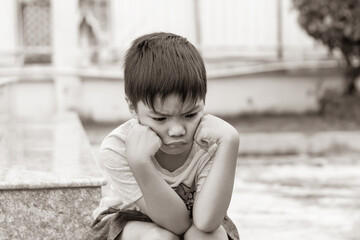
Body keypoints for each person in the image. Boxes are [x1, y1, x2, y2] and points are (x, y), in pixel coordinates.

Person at [87, 32, 240, 240]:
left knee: (207, 236)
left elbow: (205, 222)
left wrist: (230, 142)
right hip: (129, 222)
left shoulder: (210, 141)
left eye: (190, 114)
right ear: (132, 107)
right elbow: (176, 225)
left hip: (200, 220)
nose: (177, 130)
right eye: (160, 118)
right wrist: (140, 162)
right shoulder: (118, 148)